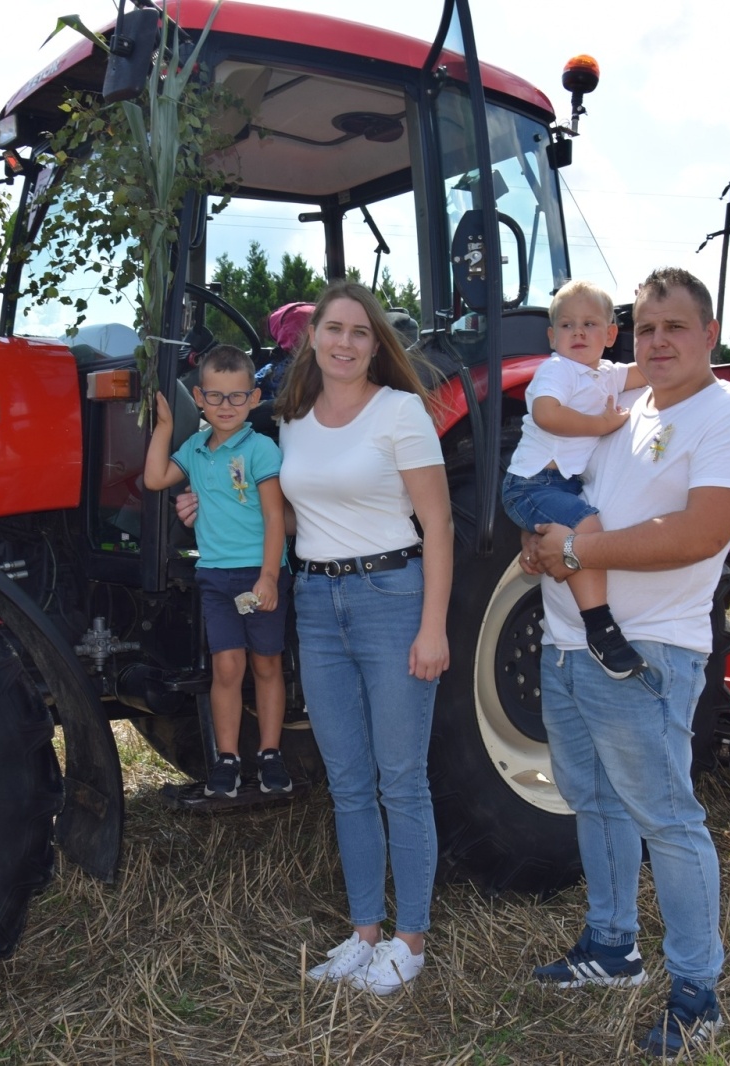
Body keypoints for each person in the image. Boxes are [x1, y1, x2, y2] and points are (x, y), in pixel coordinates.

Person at [522, 267, 730, 1057]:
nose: (658, 340)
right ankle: (611, 947)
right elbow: (560, 496)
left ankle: (698, 993)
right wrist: (542, 550)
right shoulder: (620, 408)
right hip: (566, 644)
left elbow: (698, 533)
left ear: (709, 335)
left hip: (646, 653)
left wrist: (574, 548)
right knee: (591, 801)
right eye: (647, 328)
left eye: (676, 326)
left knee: (665, 818)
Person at [276, 280, 452, 996]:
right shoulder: (293, 420)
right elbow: (298, 518)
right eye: (334, 329)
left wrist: (433, 625)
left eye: (360, 332)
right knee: (348, 784)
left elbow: (436, 524)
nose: (345, 342)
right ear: (312, 336)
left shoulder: (400, 411)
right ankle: (363, 933)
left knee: (401, 780)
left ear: (375, 345)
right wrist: (217, 499)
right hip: (317, 603)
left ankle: (409, 940)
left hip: (392, 599)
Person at [144, 344, 293, 797]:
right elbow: (153, 480)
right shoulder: (194, 449)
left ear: (253, 398)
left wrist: (269, 576)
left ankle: (270, 753)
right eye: (215, 397)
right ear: (200, 398)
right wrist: (166, 427)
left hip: (260, 572)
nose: (225, 407)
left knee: (267, 664)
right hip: (215, 575)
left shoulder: (261, 449)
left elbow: (274, 519)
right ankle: (226, 760)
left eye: (236, 397)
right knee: (227, 667)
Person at [502, 279, 649, 679]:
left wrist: (649, 318)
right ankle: (600, 629)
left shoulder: (607, 375)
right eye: (567, 326)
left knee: (578, 532)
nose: (579, 332)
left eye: (590, 324)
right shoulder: (556, 370)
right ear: (552, 336)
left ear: (611, 333)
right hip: (530, 484)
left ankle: (541, 555)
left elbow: (648, 369)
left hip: (560, 485)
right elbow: (547, 415)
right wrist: (599, 424)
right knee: (587, 529)